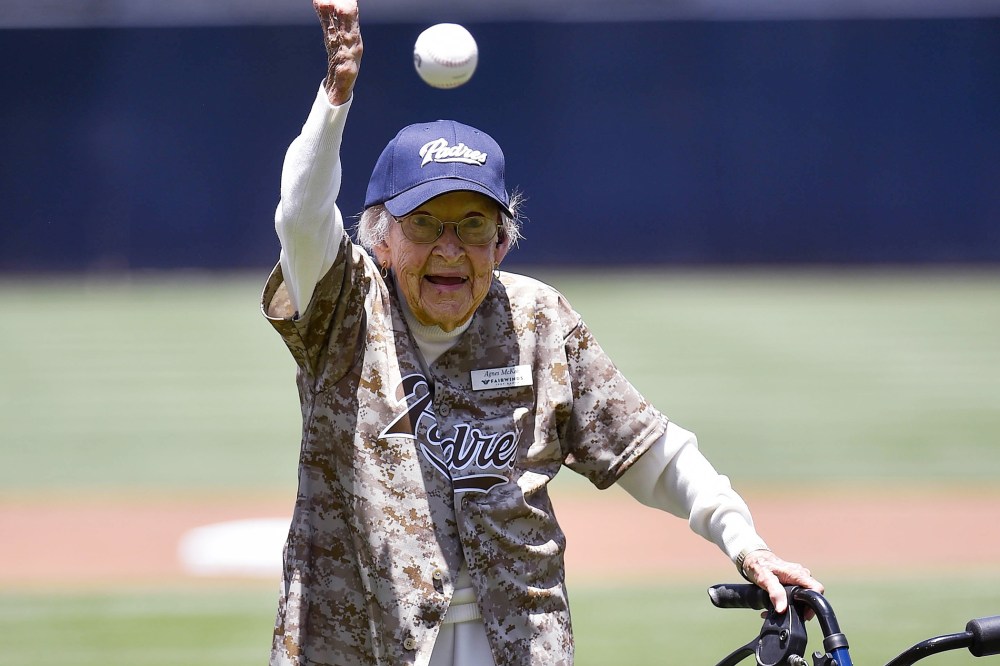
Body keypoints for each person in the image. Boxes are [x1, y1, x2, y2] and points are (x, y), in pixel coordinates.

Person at [260, 1, 823, 664]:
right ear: (380, 239)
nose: (450, 246)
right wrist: (337, 94)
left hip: (518, 643)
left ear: (501, 242)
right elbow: (300, 216)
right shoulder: (344, 309)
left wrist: (744, 541)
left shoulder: (537, 320)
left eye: (472, 224)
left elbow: (652, 452)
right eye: (426, 222)